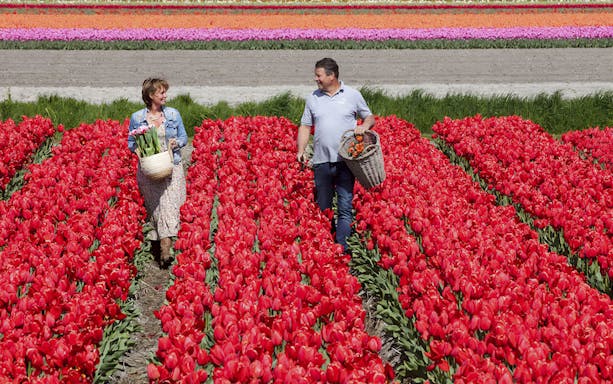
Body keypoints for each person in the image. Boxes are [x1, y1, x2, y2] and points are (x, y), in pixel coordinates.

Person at [296, 58, 375, 253]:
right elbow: (305, 126)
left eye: (319, 75)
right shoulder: (313, 98)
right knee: (323, 207)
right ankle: (325, 247)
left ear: (332, 76)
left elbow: (369, 117)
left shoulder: (352, 95)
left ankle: (343, 250)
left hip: (345, 161)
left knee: (345, 207)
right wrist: (300, 150)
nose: (316, 79)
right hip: (321, 161)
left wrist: (364, 126)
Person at [128, 78, 188, 269]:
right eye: (161, 92)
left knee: (170, 207)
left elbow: (184, 137)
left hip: (172, 167)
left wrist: (175, 143)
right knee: (156, 209)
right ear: (151, 95)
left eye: (165, 92)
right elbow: (131, 143)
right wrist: (139, 151)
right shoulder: (137, 118)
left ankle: (165, 250)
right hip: (150, 170)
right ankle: (160, 245)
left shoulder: (172, 114)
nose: (165, 96)